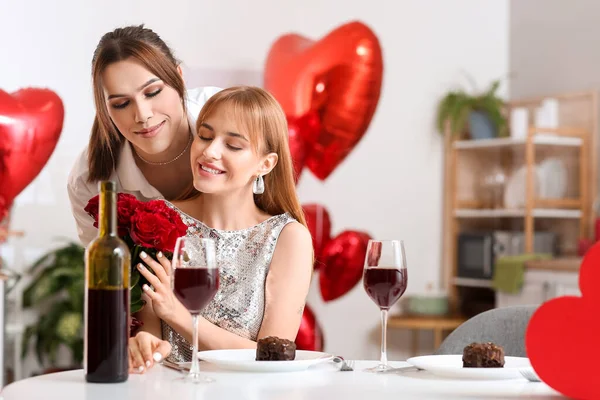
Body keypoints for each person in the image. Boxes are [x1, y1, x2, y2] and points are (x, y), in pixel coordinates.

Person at [128, 86, 314, 373]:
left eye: (233, 145)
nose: (210, 151)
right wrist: (145, 346)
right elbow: (149, 334)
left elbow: (274, 357)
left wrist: (179, 316)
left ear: (265, 164)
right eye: (204, 136)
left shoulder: (288, 238)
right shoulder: (158, 221)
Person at [67, 24, 221, 246]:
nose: (142, 115)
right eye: (121, 103)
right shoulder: (89, 179)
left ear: (179, 76)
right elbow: (108, 275)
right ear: (104, 108)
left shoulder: (227, 116)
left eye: (153, 92)